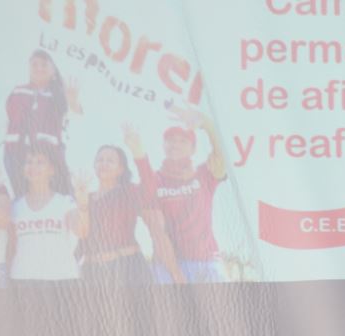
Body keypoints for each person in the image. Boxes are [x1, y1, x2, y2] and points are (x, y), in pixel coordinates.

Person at [75, 131, 183, 285]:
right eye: (100, 160)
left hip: (127, 268)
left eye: (110, 161)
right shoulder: (86, 198)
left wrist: (138, 153)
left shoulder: (129, 192)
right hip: (92, 273)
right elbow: (80, 239)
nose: (104, 163)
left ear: (121, 169)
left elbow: (150, 186)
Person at [148, 105, 229, 284]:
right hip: (167, 265)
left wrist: (207, 124)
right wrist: (175, 271)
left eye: (183, 141)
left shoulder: (204, 174)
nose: (175, 144)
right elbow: (156, 230)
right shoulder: (154, 180)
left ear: (193, 149)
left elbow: (224, 156)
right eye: (171, 140)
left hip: (206, 261)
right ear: (163, 146)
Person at [5, 143, 89, 284]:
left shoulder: (65, 202)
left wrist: (83, 204)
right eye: (29, 162)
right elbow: (10, 248)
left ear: (52, 170)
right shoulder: (15, 206)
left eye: (40, 162)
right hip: (22, 279)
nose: (33, 166)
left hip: (62, 280)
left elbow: (81, 231)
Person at [3, 49, 78, 199]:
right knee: (24, 198)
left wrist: (72, 102)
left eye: (44, 64)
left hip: (49, 154)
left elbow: (75, 116)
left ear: (53, 70)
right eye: (34, 64)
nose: (39, 68)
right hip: (16, 153)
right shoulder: (18, 91)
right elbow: (6, 120)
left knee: (62, 196)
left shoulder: (59, 95)